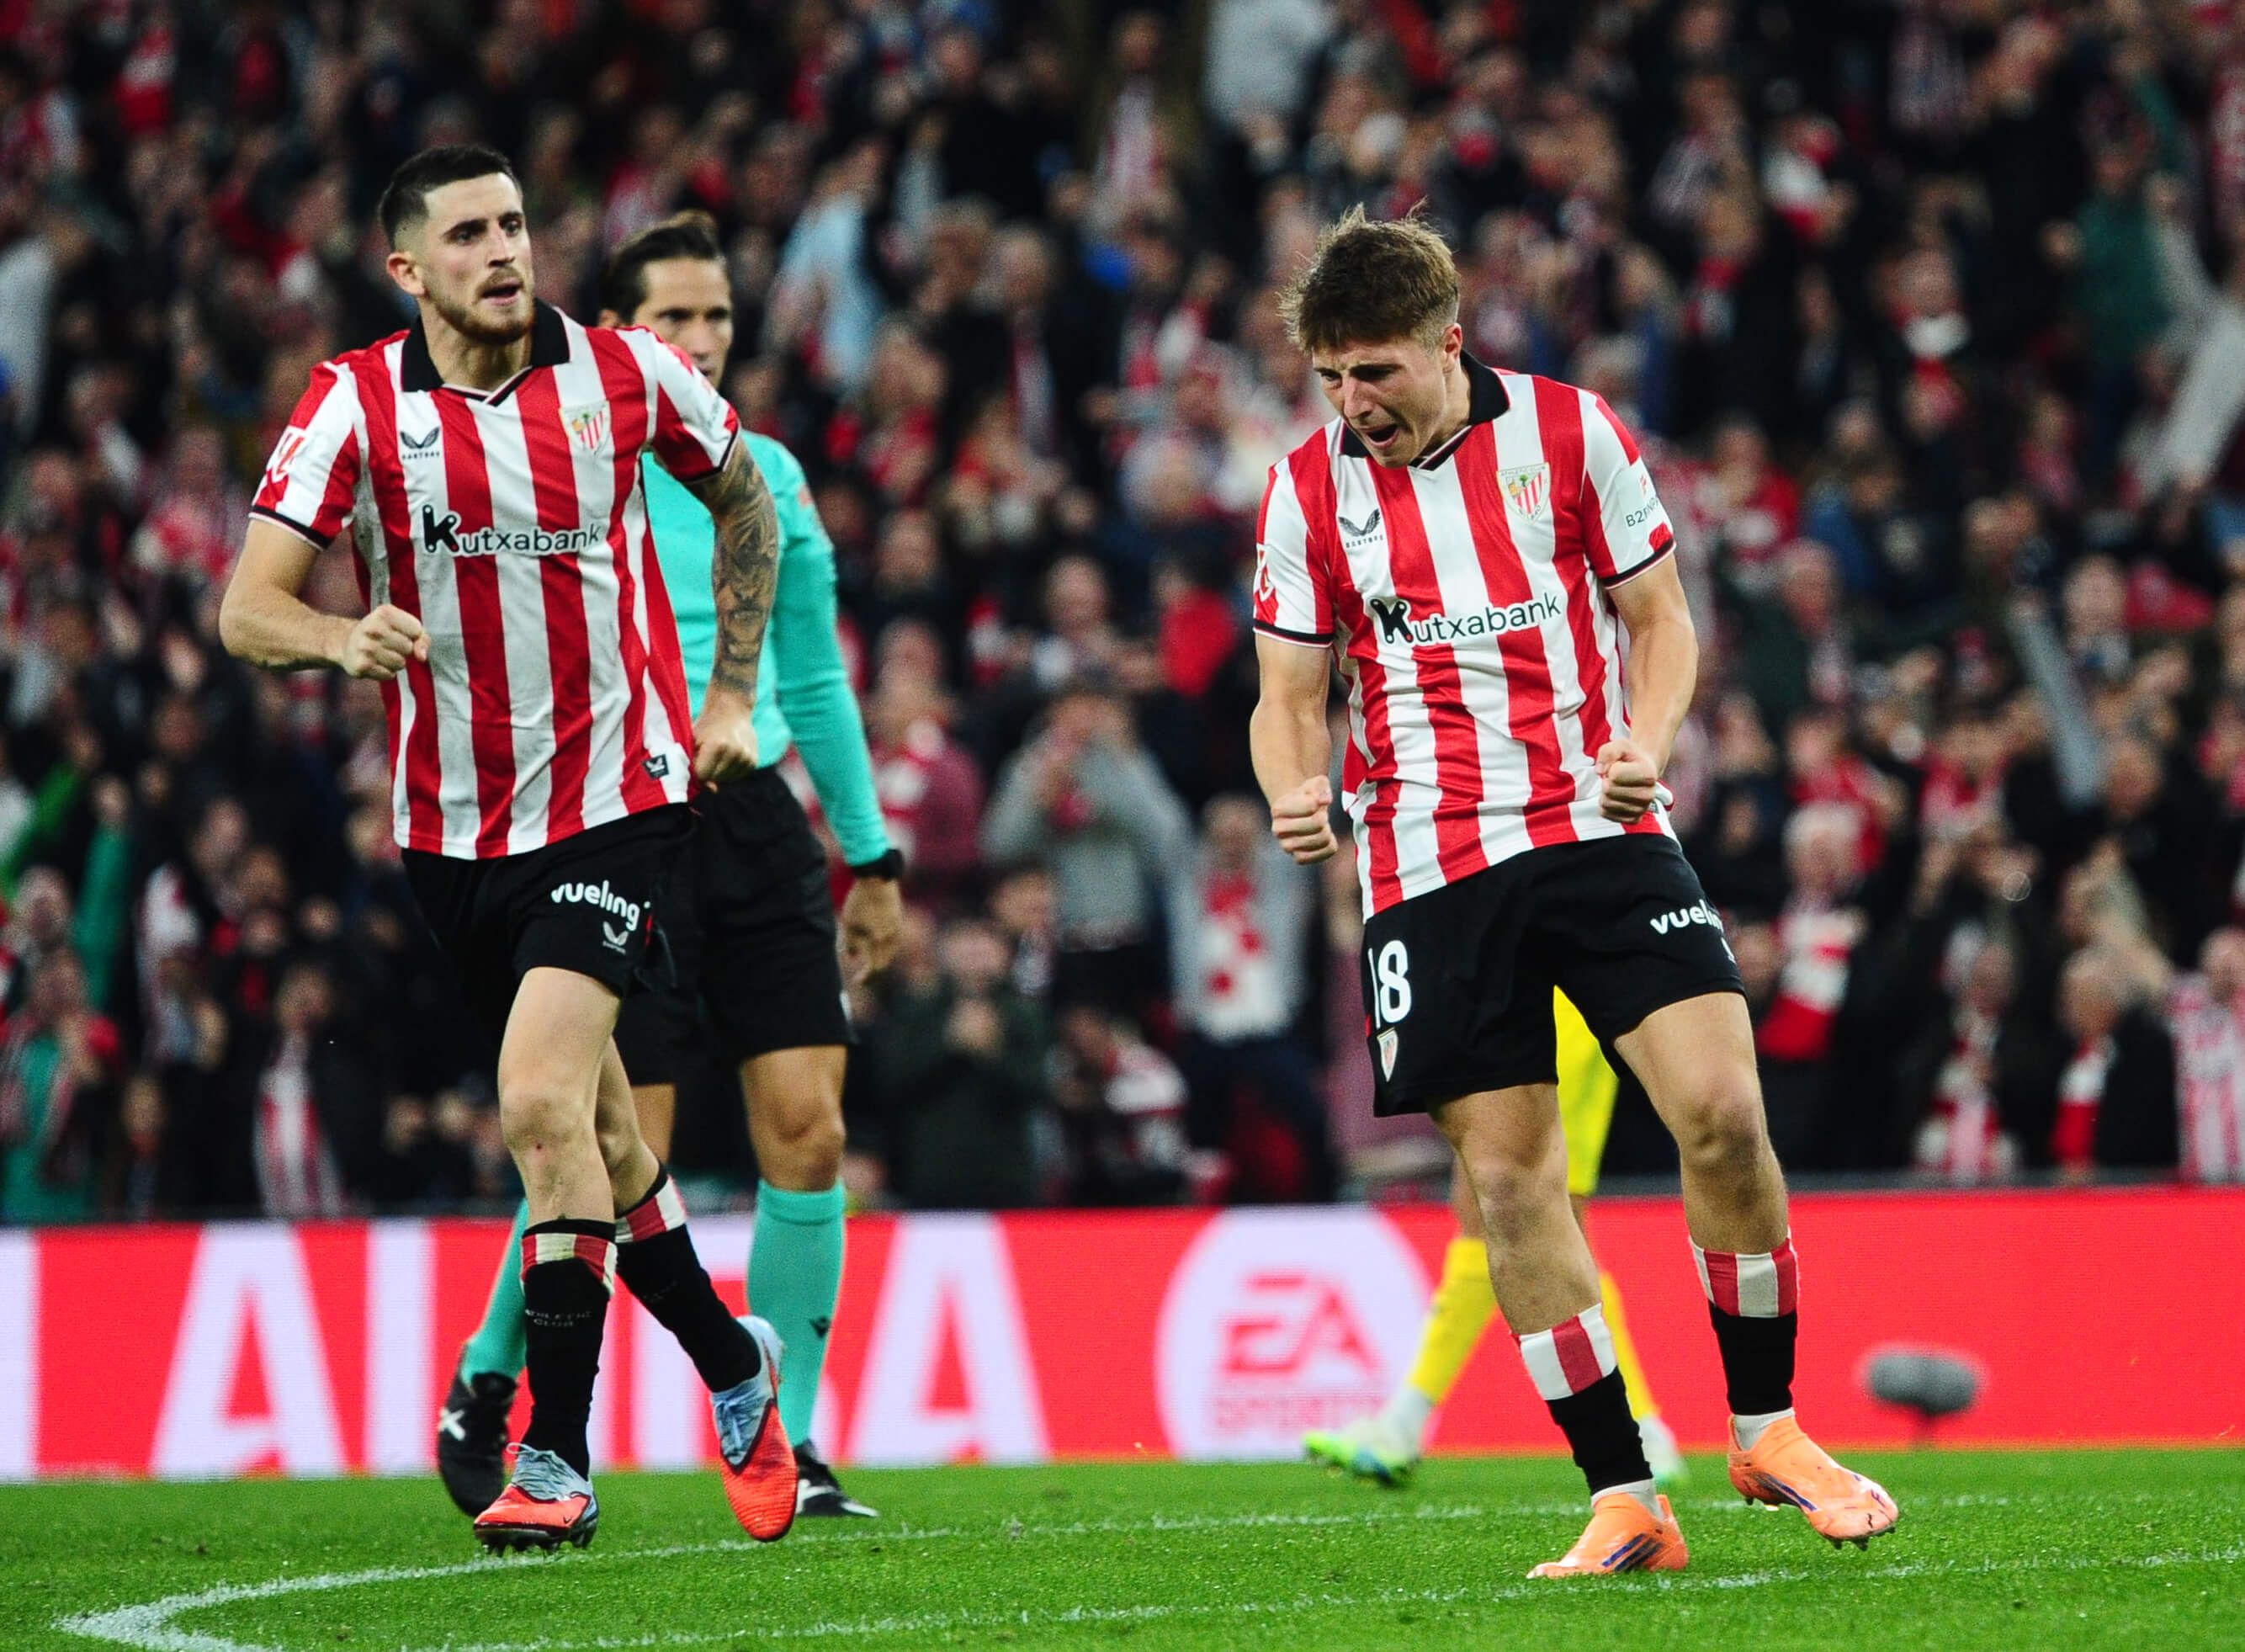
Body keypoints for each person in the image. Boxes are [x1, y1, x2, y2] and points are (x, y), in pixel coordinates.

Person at [1249, 206, 1898, 1579]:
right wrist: (1293, 785)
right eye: (1330, 380)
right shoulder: (1306, 493)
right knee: (1508, 1183)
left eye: (1375, 372)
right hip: (1429, 865)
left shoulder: (1570, 432)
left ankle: (1766, 1425)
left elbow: (1662, 624)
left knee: (1720, 1115)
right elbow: (1285, 697)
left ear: (1445, 339)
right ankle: (1621, 1494)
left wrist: (1644, 747)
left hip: (1598, 826)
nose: (1353, 404)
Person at [219, 146, 798, 1552]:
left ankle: (553, 1449)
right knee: (595, 1135)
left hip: (618, 796)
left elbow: (746, 499)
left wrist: (727, 695)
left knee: (537, 1103)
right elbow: (248, 606)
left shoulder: (621, 375)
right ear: (406, 267)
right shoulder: (353, 402)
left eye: (517, 223)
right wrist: (337, 636)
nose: (504, 250)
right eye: (468, 233)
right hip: (453, 832)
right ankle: (736, 1364)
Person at [436, 211, 902, 1523]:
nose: (701, 341)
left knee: (810, 1126)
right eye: (673, 320)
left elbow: (812, 670)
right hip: (620, 814)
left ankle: (792, 1440)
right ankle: (487, 1377)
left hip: (751, 819)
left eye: (718, 318)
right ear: (625, 335)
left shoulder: (774, 477)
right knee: (602, 1133)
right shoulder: (571, 462)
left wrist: (872, 852)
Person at [1303, 991, 1685, 1488]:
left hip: (1540, 1003)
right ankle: (1644, 1428)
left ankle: (1402, 1425)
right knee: (1550, 1219)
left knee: (1496, 1207)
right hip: (1563, 999)